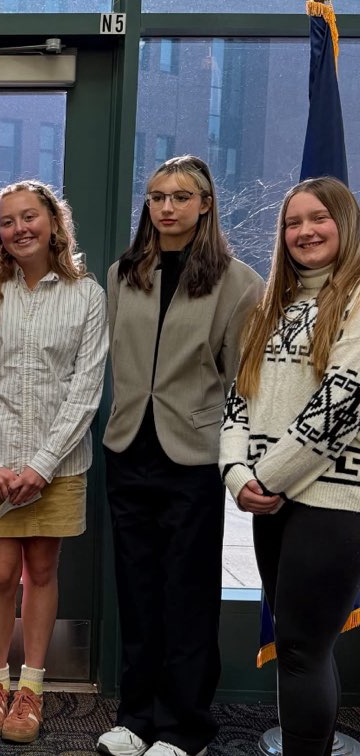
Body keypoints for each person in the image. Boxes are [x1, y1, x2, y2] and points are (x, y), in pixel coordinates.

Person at [98, 155, 263, 756]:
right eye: (157, 196)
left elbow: (243, 379)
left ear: (205, 204)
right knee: (137, 592)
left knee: (186, 595)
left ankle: (184, 726)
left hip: (191, 455)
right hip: (126, 447)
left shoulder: (238, 281)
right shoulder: (123, 274)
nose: (167, 207)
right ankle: (137, 718)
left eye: (181, 197)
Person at [0, 180, 108, 744]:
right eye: (8, 220)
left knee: (42, 572)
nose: (20, 228)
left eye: (30, 217)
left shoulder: (87, 294)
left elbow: (85, 388)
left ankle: (31, 690)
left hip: (59, 465)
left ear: (53, 223)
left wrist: (42, 465)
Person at [220, 177, 360, 756]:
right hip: (269, 503)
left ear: (345, 223)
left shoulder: (356, 297)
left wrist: (266, 477)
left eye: (318, 218)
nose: (304, 231)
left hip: (331, 503)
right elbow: (238, 399)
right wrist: (236, 475)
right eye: (292, 222)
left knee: (302, 649)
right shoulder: (270, 306)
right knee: (299, 649)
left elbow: (346, 399)